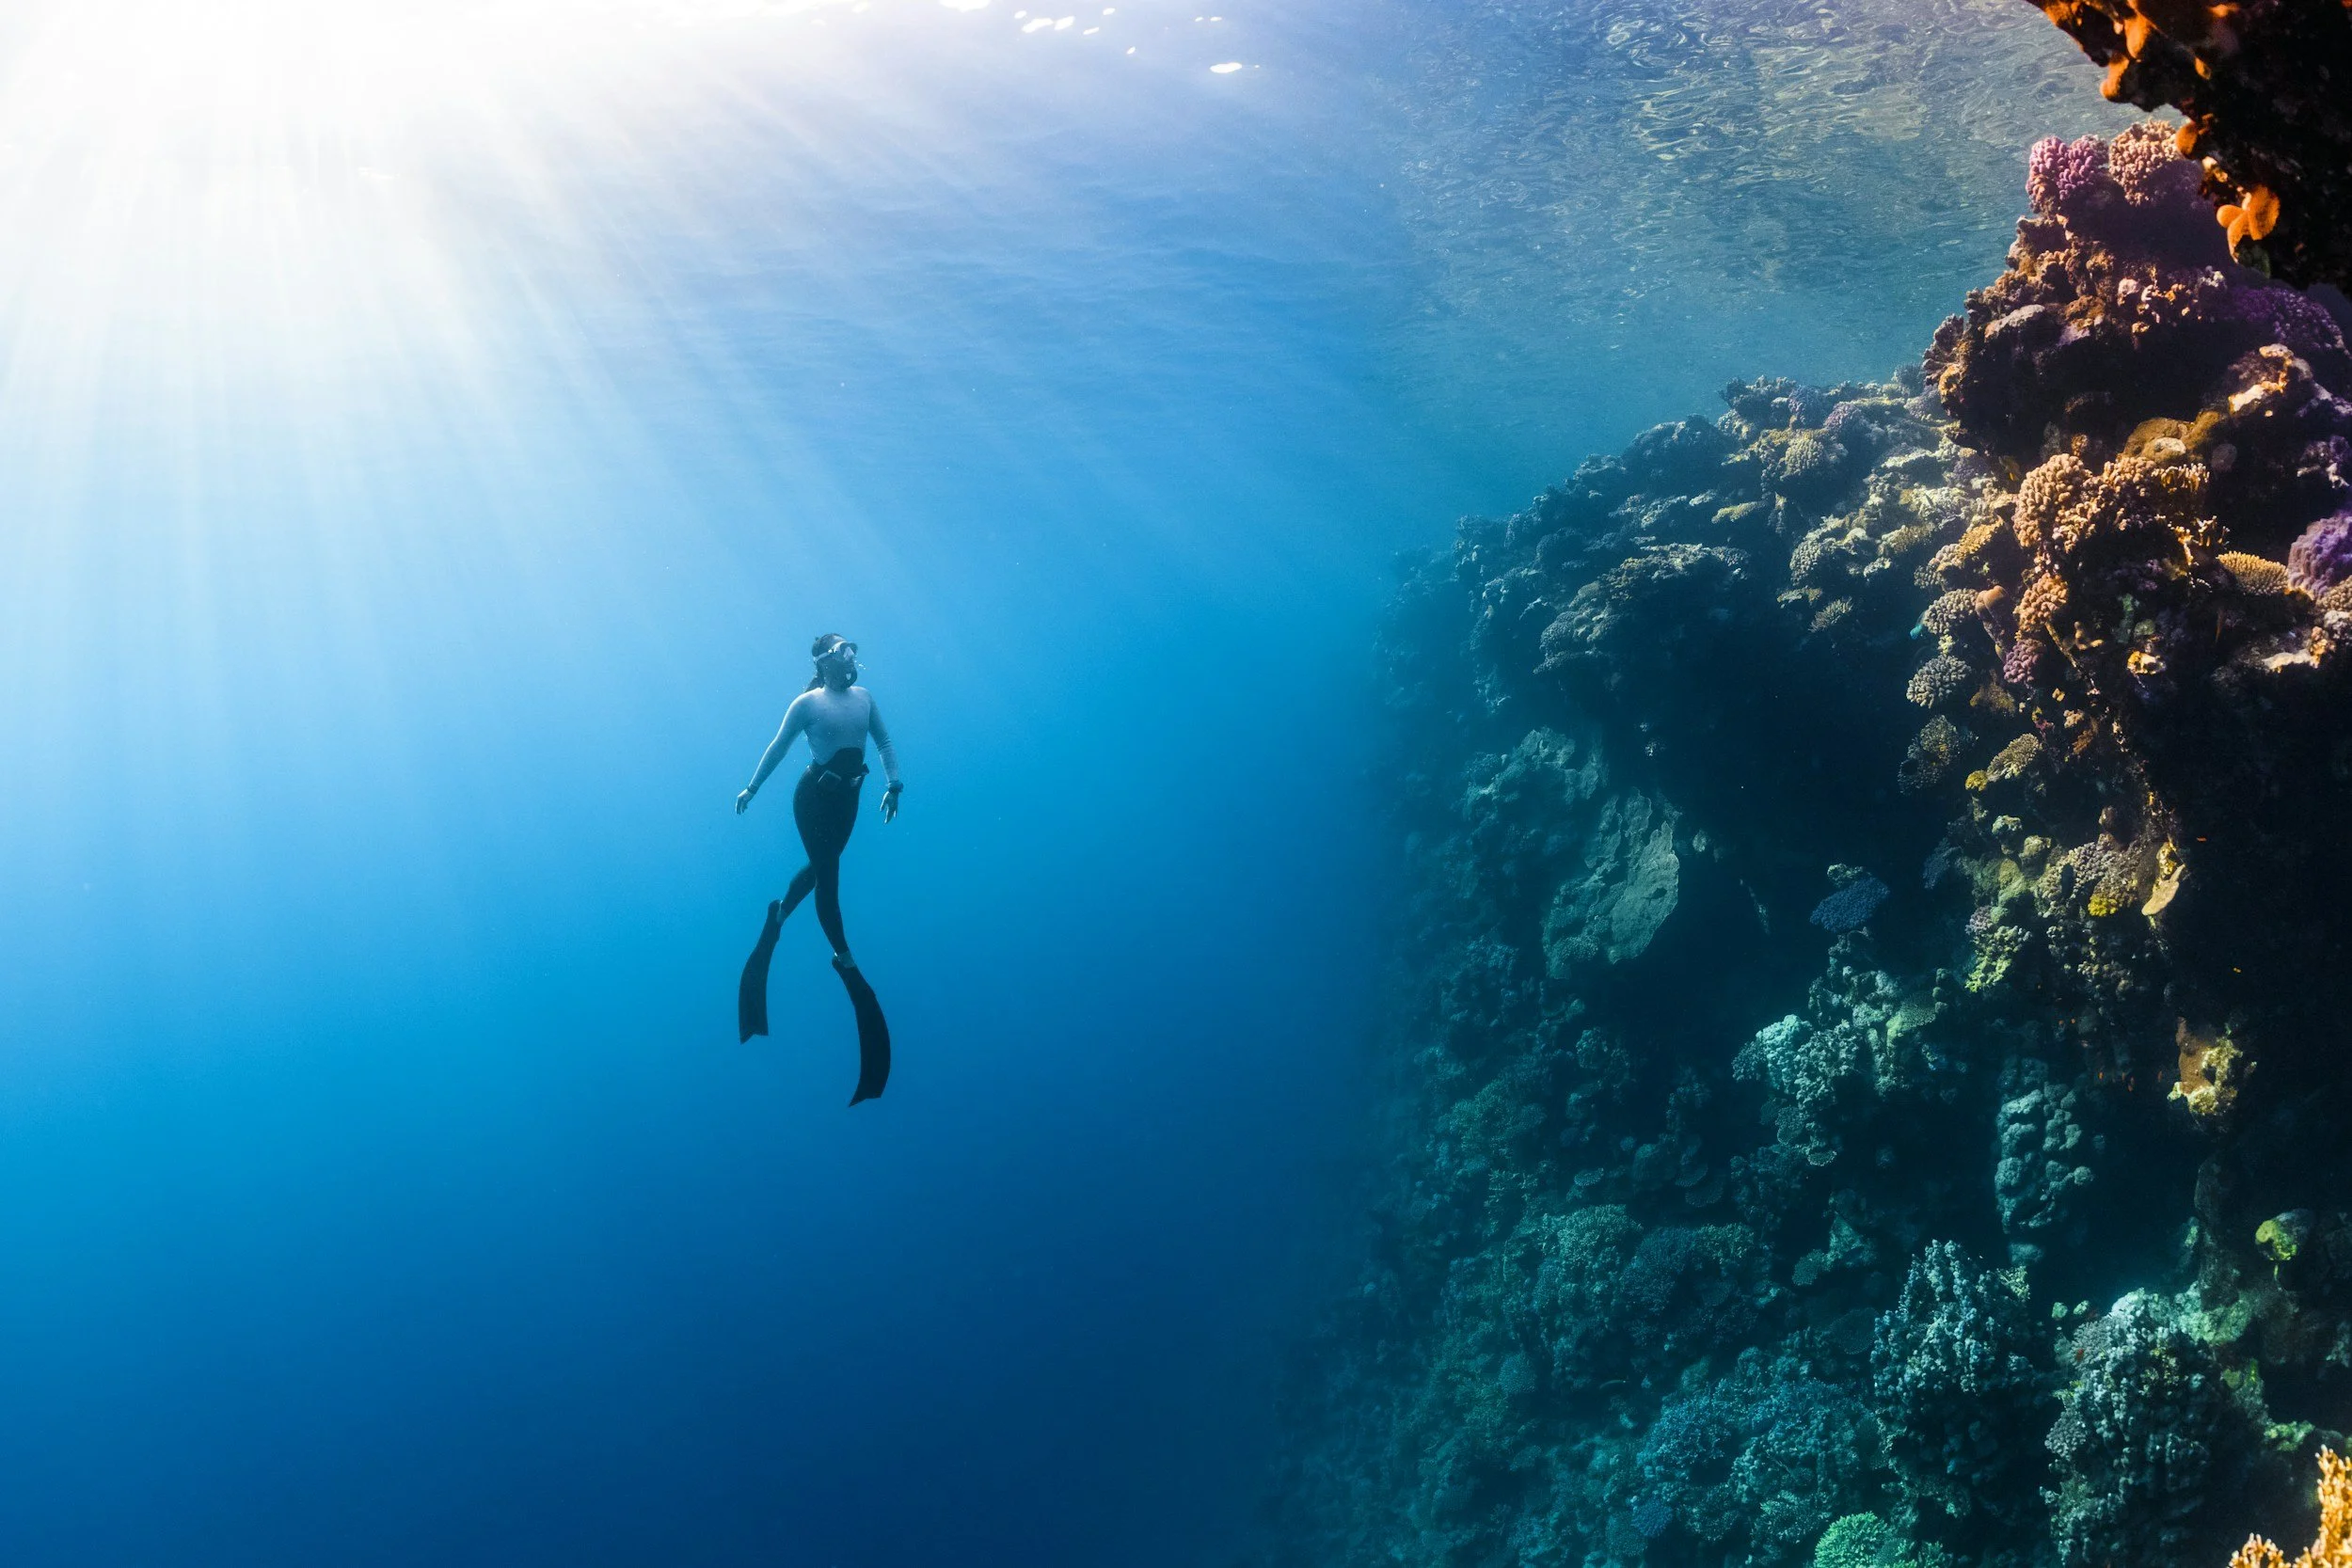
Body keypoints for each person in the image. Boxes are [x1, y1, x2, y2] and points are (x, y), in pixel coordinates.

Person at [734, 633, 902, 1103]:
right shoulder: (806, 704)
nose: (853, 655)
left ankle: (780, 914)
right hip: (813, 800)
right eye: (844, 647)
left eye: (854, 647)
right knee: (829, 876)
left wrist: (895, 784)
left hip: (849, 801)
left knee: (823, 866)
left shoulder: (865, 699)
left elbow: (884, 741)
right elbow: (778, 748)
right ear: (824, 658)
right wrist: (751, 789)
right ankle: (844, 957)